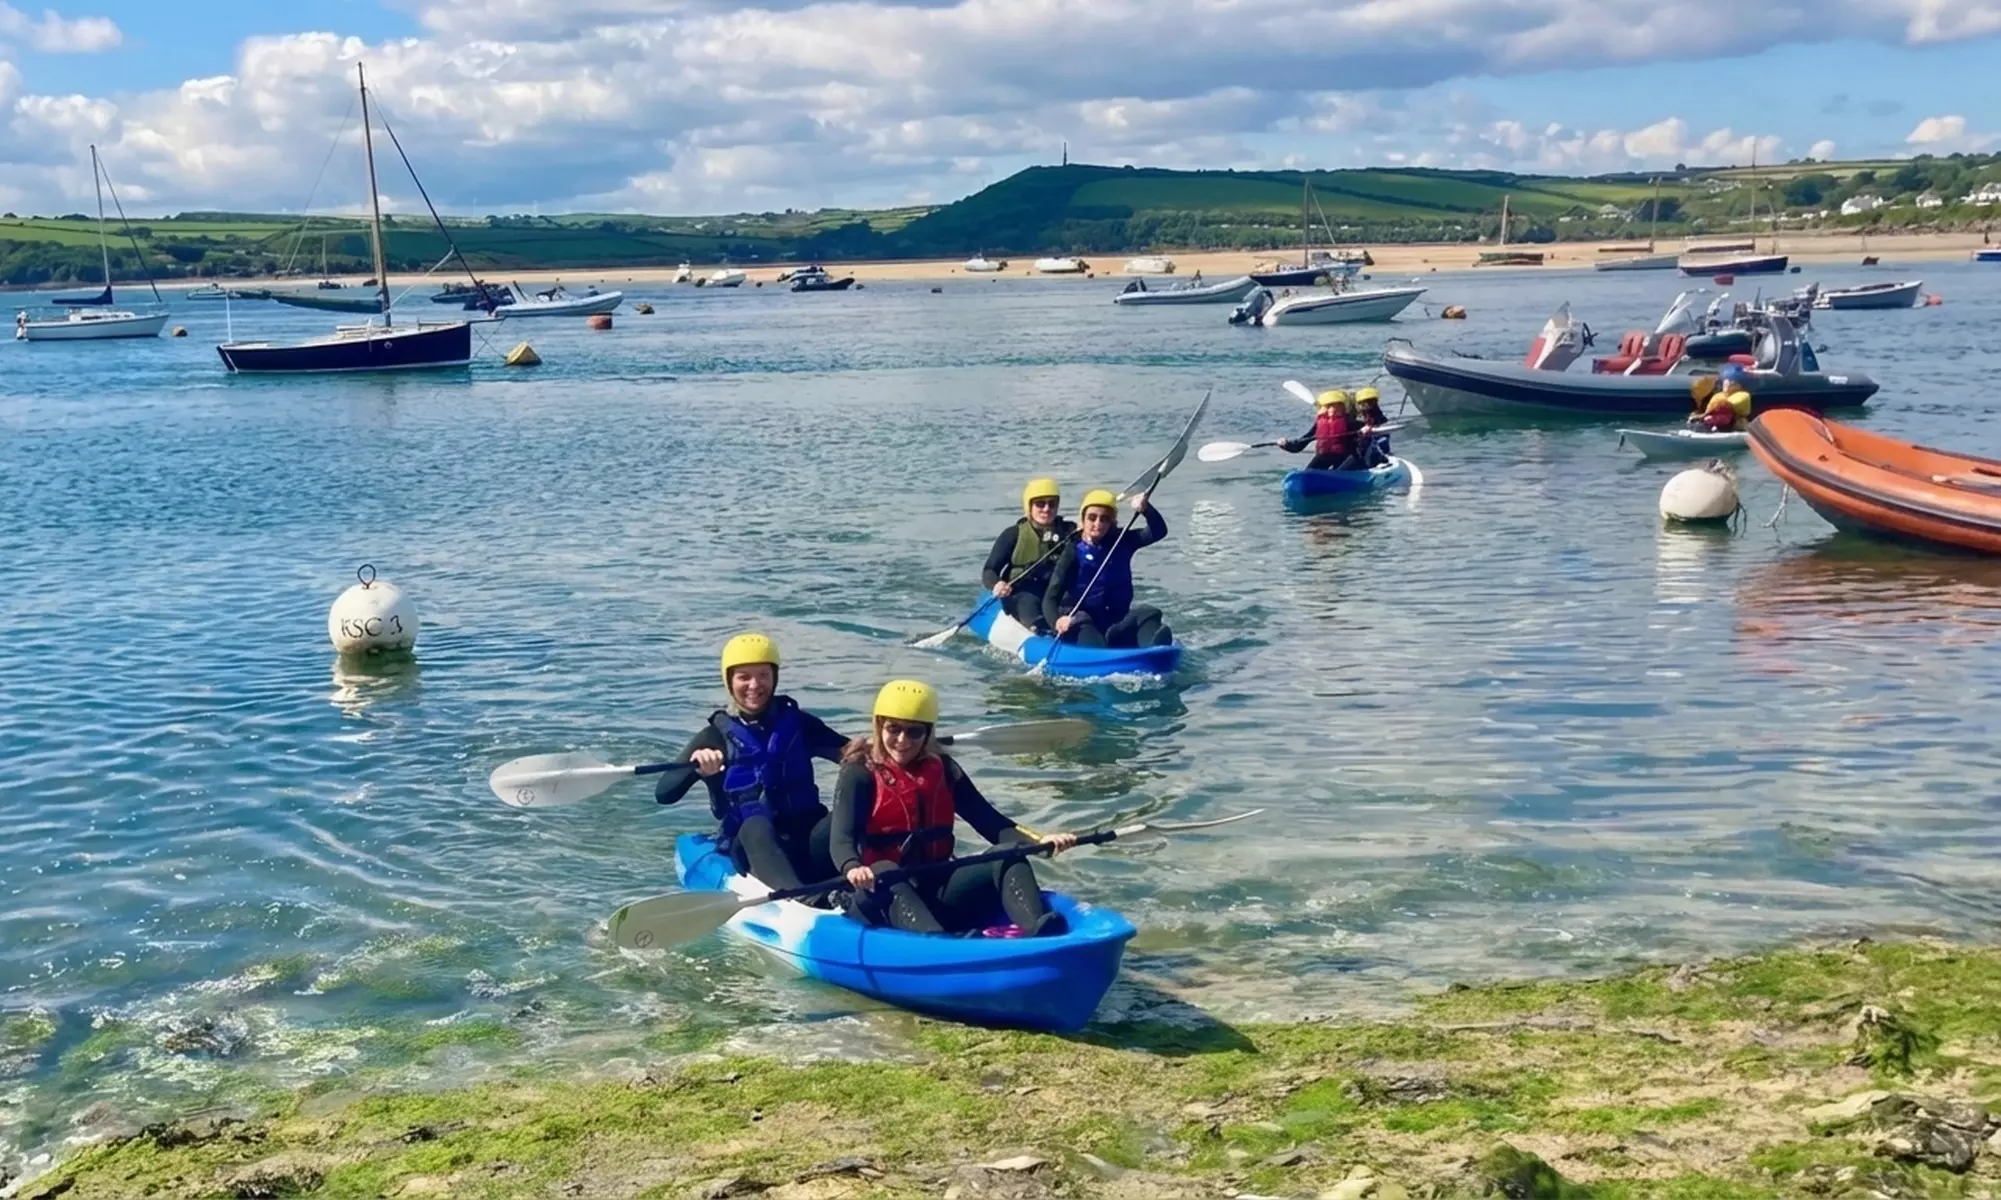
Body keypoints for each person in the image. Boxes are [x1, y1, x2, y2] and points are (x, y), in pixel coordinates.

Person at [832, 680, 1077, 936]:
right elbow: (841, 839)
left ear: (928, 733)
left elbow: (990, 822)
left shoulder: (944, 769)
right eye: (894, 729)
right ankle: (940, 944)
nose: (903, 740)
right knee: (885, 870)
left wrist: (1040, 842)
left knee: (1008, 854)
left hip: (936, 885)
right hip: (879, 894)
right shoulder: (859, 772)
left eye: (914, 732)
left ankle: (1039, 930)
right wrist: (853, 867)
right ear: (879, 725)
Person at [655, 632, 851, 894]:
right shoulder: (714, 736)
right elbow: (665, 793)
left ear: (774, 677)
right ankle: (798, 899)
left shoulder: (799, 724)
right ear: (729, 681)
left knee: (845, 814)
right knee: (755, 825)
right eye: (744, 677)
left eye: (763, 675)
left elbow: (852, 756)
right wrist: (701, 770)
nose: (754, 685)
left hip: (806, 836)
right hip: (751, 845)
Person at [1042, 488, 1172, 648]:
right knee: (1094, 640)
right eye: (1092, 518)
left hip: (1115, 620)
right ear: (1083, 520)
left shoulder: (1123, 541)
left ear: (1111, 522)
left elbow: (1159, 532)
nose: (1098, 524)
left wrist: (1146, 509)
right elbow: (1050, 598)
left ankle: (1156, 649)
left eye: (1104, 519)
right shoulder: (1072, 550)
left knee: (1149, 614)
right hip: (1081, 620)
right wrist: (1057, 621)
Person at [980, 477, 1077, 631]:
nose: (1046, 509)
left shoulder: (1070, 532)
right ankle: (1036, 630)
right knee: (1030, 606)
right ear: (1029, 506)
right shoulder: (1013, 534)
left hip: (1055, 593)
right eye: (1040, 504)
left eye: (1052, 504)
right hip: (1023, 593)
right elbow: (989, 570)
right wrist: (996, 584)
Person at [1280, 389, 1362, 471]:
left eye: (1334, 406)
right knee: (1309, 472)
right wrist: (1286, 445)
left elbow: (1366, 439)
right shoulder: (1319, 424)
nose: (1331, 410)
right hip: (1324, 455)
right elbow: (1299, 445)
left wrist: (1367, 430)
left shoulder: (1350, 422)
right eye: (1328, 406)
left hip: (1345, 457)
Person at [1355, 385, 1392, 466]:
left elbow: (1382, 422)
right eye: (1365, 402)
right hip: (1368, 440)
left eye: (1371, 402)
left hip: (1377, 438)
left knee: (1382, 443)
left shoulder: (1378, 414)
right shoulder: (1360, 416)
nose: (1368, 405)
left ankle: (1382, 458)